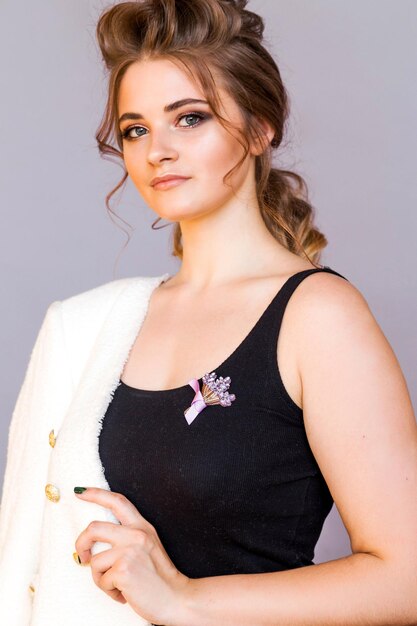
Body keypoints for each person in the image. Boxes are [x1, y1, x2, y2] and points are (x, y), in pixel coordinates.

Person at [1, 1, 416, 624]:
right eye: (136, 129)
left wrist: (185, 600)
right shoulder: (87, 327)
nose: (157, 150)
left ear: (259, 128)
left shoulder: (317, 317)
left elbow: (405, 579)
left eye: (189, 119)